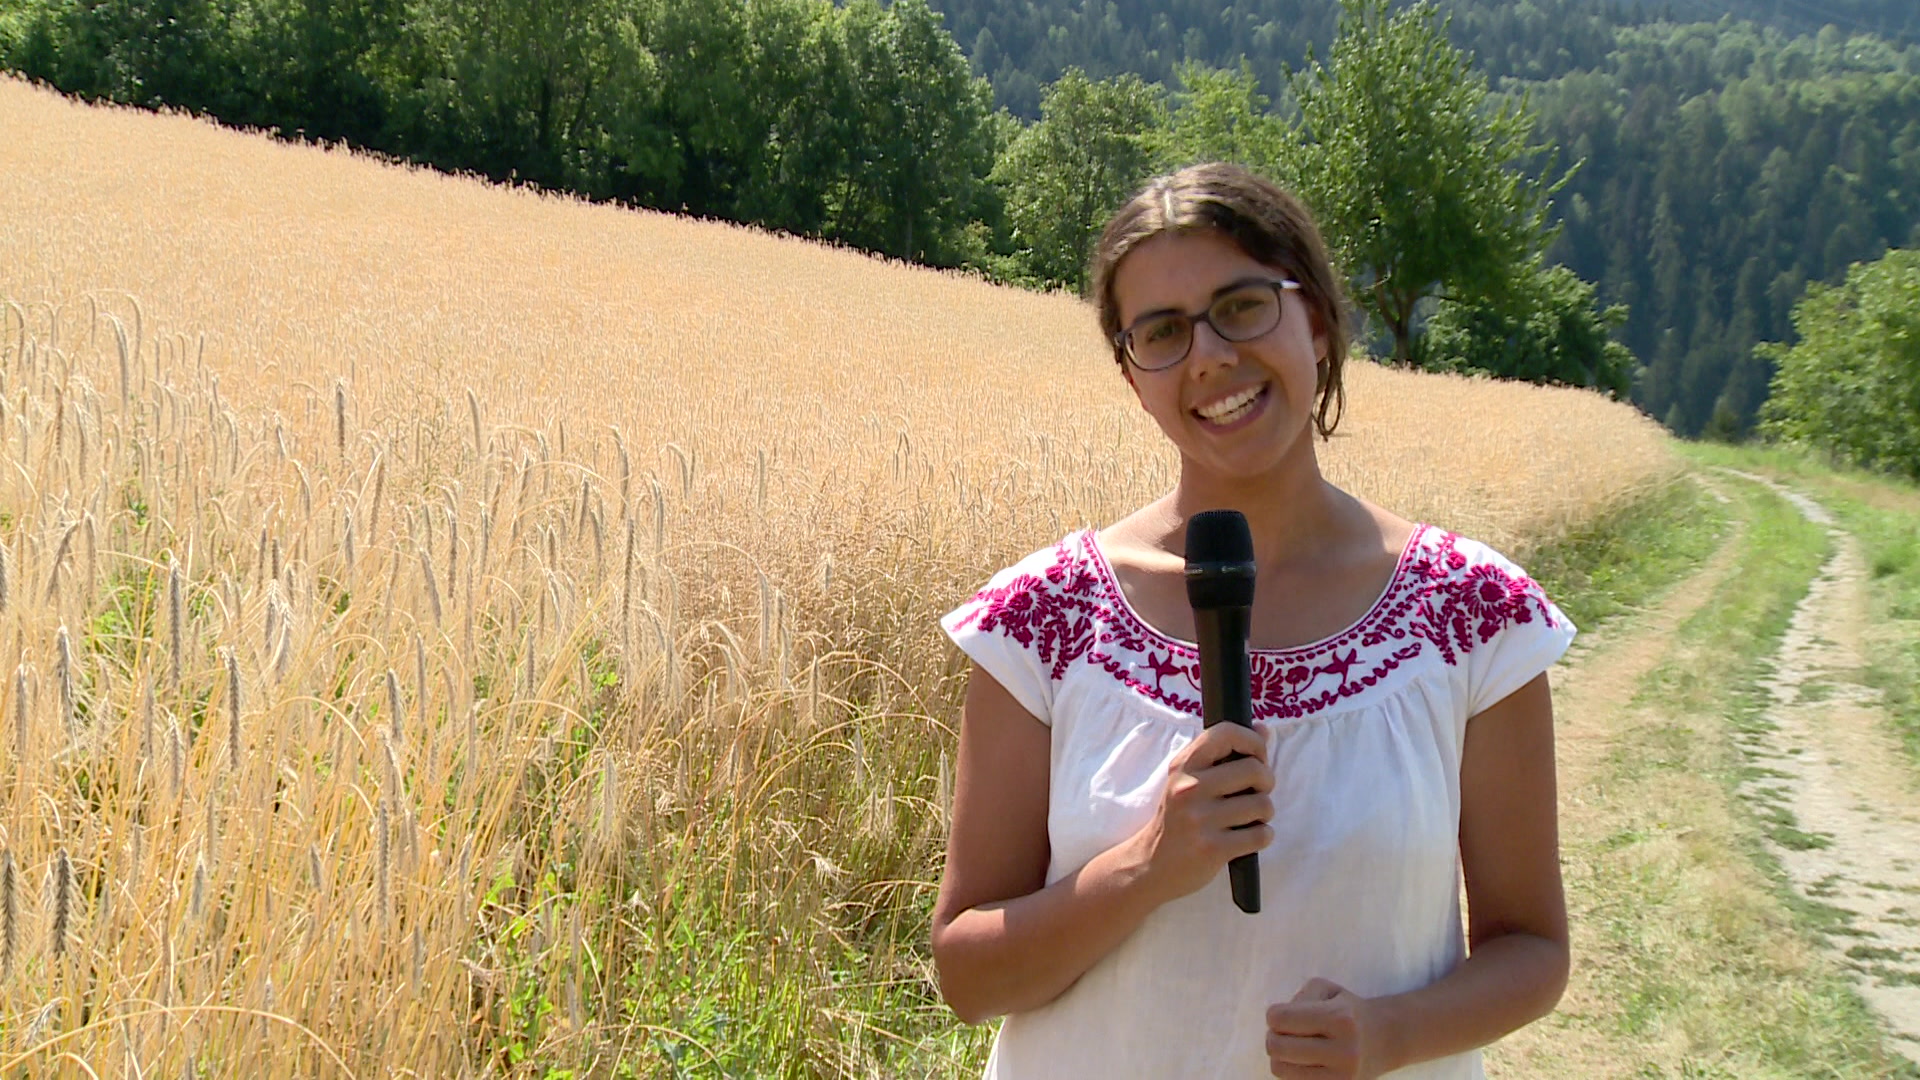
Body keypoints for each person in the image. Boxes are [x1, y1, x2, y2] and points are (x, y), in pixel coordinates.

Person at [928, 162, 1575, 1079]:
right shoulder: (1039, 622)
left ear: (1314, 316)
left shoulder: (1471, 614)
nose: (1209, 357)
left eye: (1241, 306)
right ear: (1133, 377)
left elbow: (1534, 949)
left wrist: (1391, 1033)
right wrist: (1144, 867)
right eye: (1161, 332)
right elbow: (967, 977)